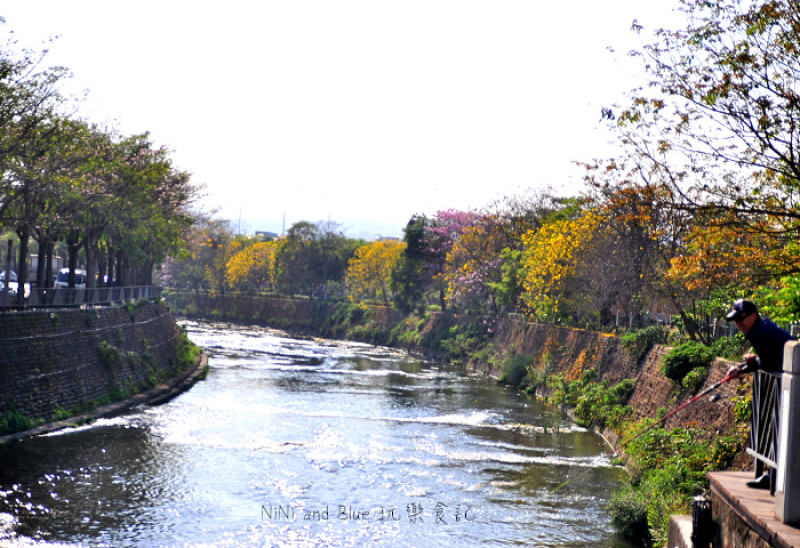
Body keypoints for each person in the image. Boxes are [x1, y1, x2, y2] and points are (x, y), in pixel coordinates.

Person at [726, 298, 795, 489]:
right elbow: (768, 361)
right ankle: (772, 476)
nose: (739, 324)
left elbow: (768, 365)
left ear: (753, 316)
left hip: (790, 386)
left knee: (780, 430)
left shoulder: (760, 333)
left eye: (742, 319)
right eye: (736, 320)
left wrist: (746, 366)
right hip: (787, 384)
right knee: (778, 430)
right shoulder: (762, 329)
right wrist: (742, 368)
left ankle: (774, 478)